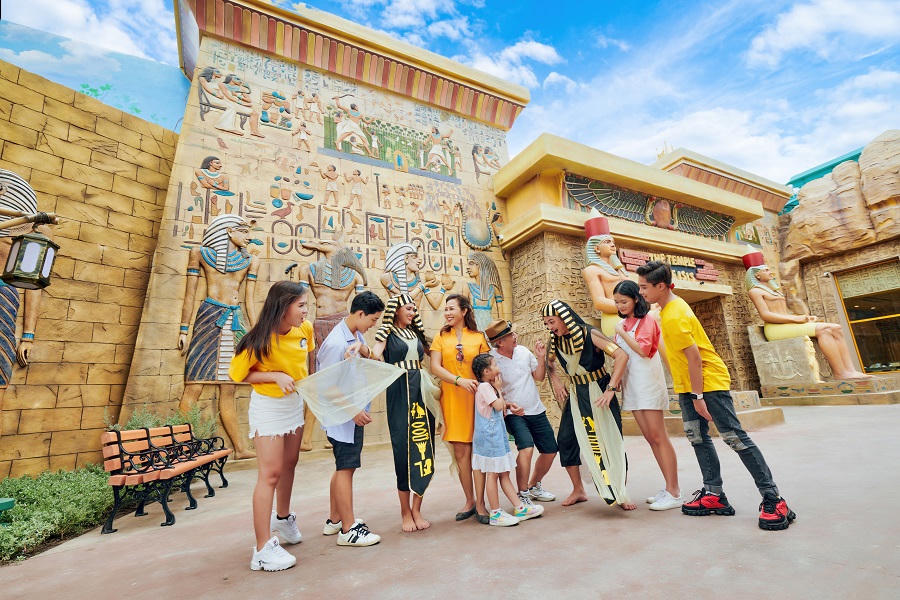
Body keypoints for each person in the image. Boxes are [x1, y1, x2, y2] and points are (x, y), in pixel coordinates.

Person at [636, 260, 796, 531]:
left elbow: (695, 359)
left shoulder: (675, 314)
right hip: (689, 385)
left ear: (661, 286)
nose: (641, 293)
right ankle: (713, 494)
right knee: (697, 437)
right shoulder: (667, 308)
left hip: (707, 383)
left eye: (644, 287)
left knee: (734, 437)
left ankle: (773, 499)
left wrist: (698, 396)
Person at [229, 281, 313, 572]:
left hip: (293, 404)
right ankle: (262, 549)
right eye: (301, 305)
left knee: (290, 463)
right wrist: (274, 376)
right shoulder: (257, 340)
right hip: (269, 408)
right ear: (283, 307)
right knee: (270, 474)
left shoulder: (305, 329)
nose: (306, 311)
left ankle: (283, 518)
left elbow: (305, 362)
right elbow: (238, 375)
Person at [542, 300, 635, 510]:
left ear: (564, 318)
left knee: (611, 439)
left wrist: (611, 388)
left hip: (599, 390)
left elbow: (621, 355)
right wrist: (556, 381)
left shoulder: (590, 334)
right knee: (566, 439)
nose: (549, 327)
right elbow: (549, 363)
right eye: (546, 323)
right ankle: (578, 489)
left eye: (551, 321)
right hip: (576, 394)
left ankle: (621, 491)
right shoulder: (555, 341)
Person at [317, 291, 386, 546]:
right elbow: (326, 385)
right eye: (373, 319)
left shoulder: (354, 335)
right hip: (344, 418)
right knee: (346, 468)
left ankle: (335, 519)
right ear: (360, 313)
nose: (374, 325)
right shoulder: (337, 343)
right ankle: (348, 529)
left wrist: (364, 347)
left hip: (350, 416)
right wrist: (353, 411)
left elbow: (373, 358)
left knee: (343, 468)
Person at [611, 280, 681, 510]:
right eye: (616, 302)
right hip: (631, 386)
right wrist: (616, 380)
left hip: (648, 384)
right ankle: (668, 488)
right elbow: (619, 355)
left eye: (624, 301)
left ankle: (674, 491)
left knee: (659, 437)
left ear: (636, 299)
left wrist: (622, 332)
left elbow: (643, 350)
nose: (620, 306)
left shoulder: (647, 320)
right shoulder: (622, 324)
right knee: (651, 438)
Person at [371, 294, 438, 532]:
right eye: (408, 308)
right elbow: (375, 354)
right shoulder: (386, 333)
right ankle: (405, 511)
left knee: (424, 445)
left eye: (413, 309)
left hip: (421, 390)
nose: (412, 312)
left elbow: (436, 354)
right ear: (396, 310)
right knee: (402, 449)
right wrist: (363, 350)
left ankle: (417, 509)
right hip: (399, 391)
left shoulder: (416, 334)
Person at [429, 294, 490, 523]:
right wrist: (458, 380)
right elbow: (435, 367)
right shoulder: (440, 337)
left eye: (451, 308)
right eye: (445, 309)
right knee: (461, 453)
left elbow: (486, 369)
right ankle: (469, 500)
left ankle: (482, 503)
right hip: (453, 400)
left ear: (464, 311)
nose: (447, 313)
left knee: (478, 451)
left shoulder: (478, 337)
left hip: (477, 400)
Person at [484, 319, 558, 505]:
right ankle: (523, 494)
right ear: (500, 342)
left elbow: (539, 377)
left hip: (536, 409)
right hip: (513, 414)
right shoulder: (491, 360)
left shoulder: (523, 352)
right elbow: (489, 391)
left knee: (550, 450)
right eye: (510, 335)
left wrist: (540, 358)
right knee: (526, 448)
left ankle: (533, 485)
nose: (515, 336)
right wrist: (507, 405)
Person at [471, 353, 544, 526]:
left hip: (497, 437)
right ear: (487, 371)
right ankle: (496, 513)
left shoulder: (489, 387)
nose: (499, 368)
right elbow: (498, 405)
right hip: (490, 439)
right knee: (493, 474)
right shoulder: (485, 387)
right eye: (495, 365)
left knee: (503, 473)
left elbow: (500, 407)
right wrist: (499, 389)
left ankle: (519, 507)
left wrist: (507, 403)